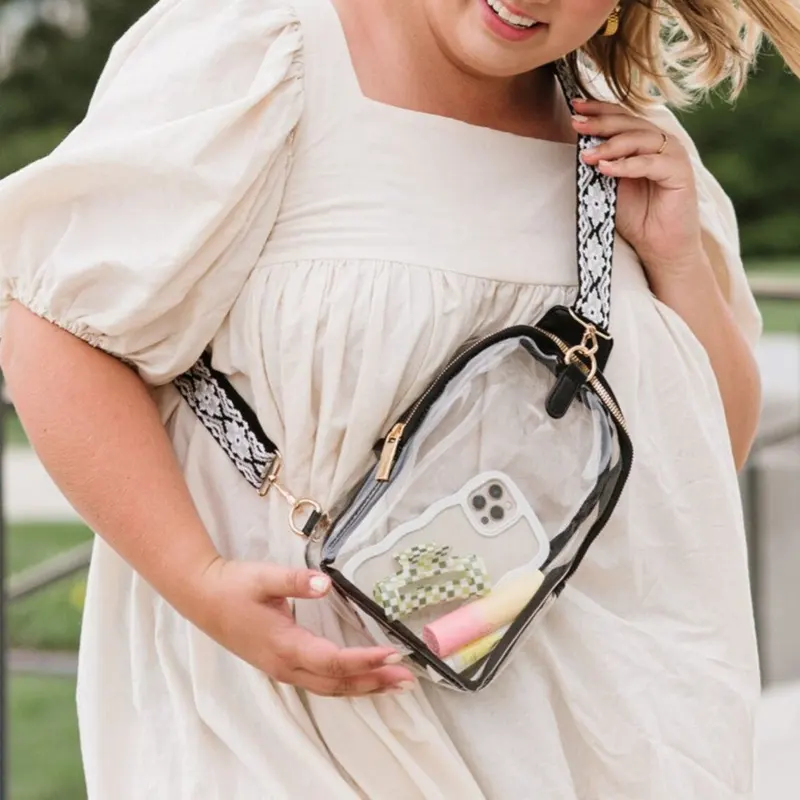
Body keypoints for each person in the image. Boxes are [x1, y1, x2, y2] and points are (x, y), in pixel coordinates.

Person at [1, 0, 797, 796]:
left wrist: (679, 260)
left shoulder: (626, 139)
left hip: (590, 740)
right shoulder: (266, 53)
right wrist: (197, 579)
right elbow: (55, 325)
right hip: (288, 719)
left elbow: (696, 472)